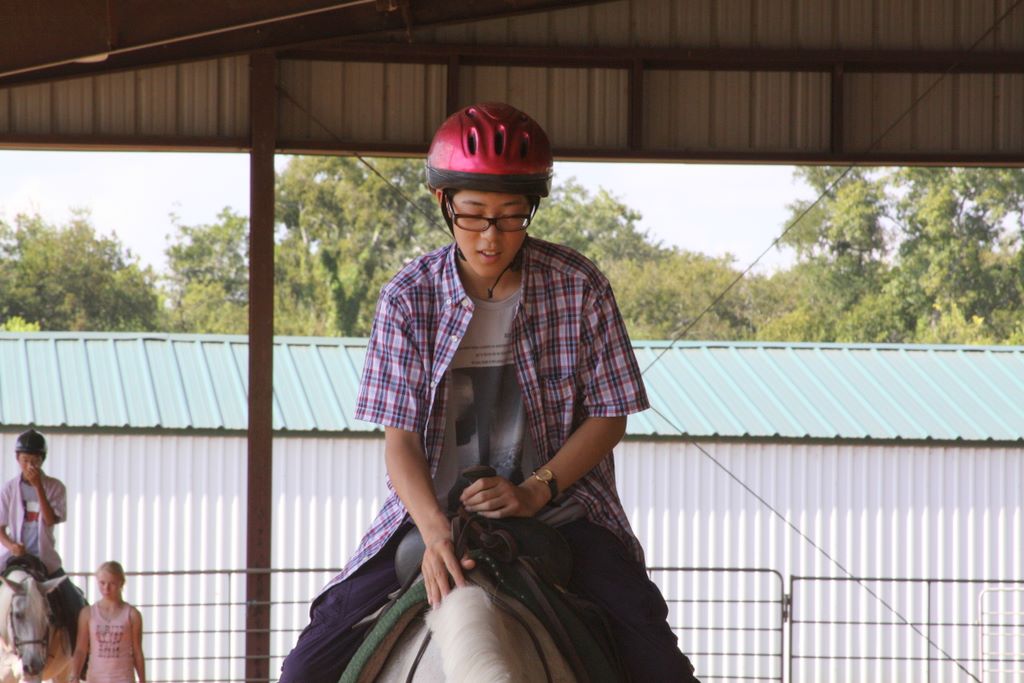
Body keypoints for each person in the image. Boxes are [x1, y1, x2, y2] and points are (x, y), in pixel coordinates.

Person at [279, 102, 699, 682]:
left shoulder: (579, 286)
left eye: (511, 216)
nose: (491, 237)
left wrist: (534, 490)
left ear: (533, 207)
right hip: (430, 515)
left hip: (561, 512)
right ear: (443, 201)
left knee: (660, 664)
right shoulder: (407, 298)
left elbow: (609, 416)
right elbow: (400, 441)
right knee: (304, 669)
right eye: (474, 215)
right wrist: (433, 533)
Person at [0, 428, 88, 652]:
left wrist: (38, 486)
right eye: (25, 460)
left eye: (35, 460)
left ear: (42, 460)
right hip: (14, 557)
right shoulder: (8, 489)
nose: (30, 465)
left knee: (73, 601)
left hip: (45, 559)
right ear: (17, 459)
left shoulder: (55, 487)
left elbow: (50, 519)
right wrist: (11, 545)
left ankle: (79, 656)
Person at [69, 560, 146, 683]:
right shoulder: (88, 613)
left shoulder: (132, 615)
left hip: (123, 678)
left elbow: (137, 651)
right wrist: (75, 675)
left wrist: (142, 679)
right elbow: (81, 649)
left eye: (112, 583)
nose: (106, 588)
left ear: (121, 583)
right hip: (96, 678)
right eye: (102, 583)